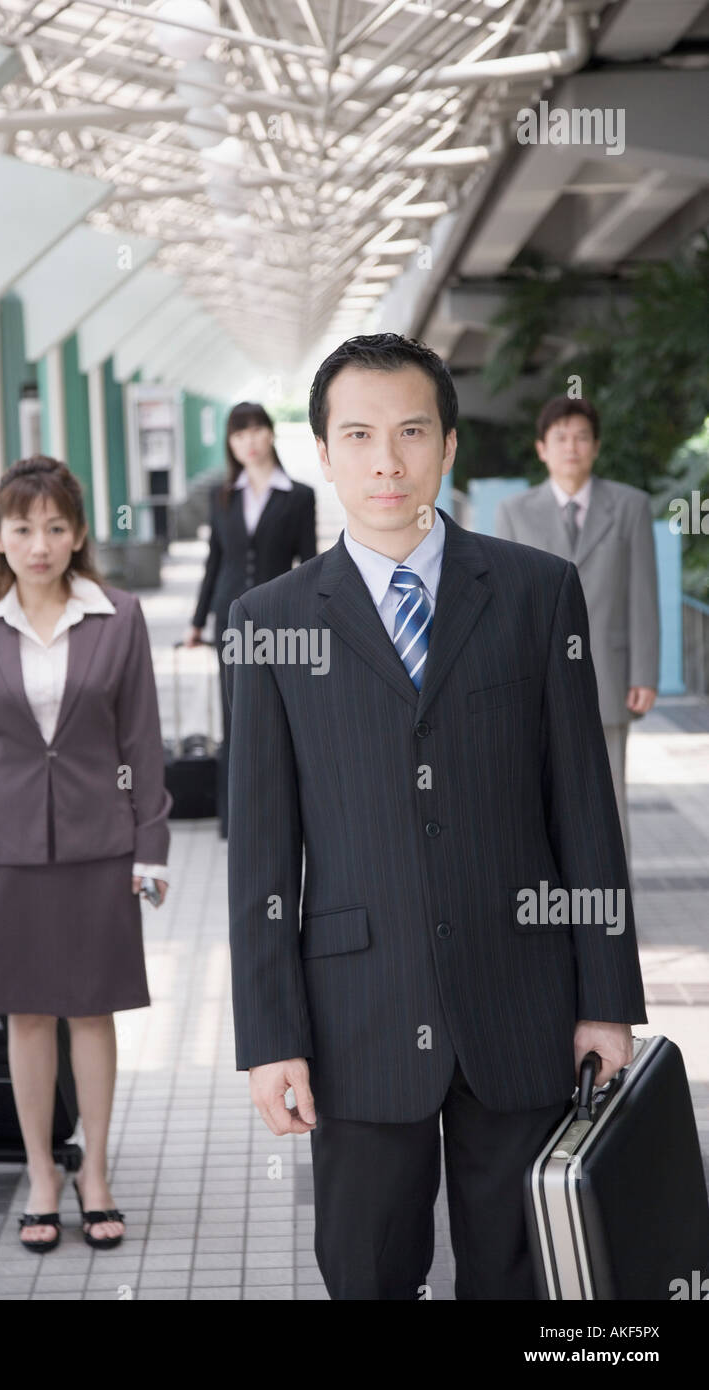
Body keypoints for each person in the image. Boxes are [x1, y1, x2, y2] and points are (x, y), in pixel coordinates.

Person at [225, 334, 647, 1300]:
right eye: (359, 434)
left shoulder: (538, 593)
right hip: (356, 1019)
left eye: (411, 431)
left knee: (519, 1278)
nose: (387, 460)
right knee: (366, 1274)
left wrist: (605, 1000)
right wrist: (269, 1035)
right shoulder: (270, 620)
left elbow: (583, 808)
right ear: (322, 453)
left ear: (448, 446)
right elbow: (259, 855)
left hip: (524, 1005)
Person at [0, 456, 172, 1253]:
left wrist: (152, 846)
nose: (39, 543)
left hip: (100, 844)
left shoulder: (118, 616)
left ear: (79, 534)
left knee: (92, 1011)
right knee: (26, 1015)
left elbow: (142, 740)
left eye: (55, 527)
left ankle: (94, 1170)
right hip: (6, 852)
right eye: (23, 528)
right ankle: (42, 1172)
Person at [495, 397, 659, 862]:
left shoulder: (630, 506)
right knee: (535, 798)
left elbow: (643, 594)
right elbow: (507, 602)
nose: (572, 447)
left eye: (582, 437)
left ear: (597, 447)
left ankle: (614, 910)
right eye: (560, 437)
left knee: (609, 800)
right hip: (533, 679)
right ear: (541, 448)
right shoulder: (514, 512)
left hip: (608, 677)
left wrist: (644, 673)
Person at [184, 401, 317, 838]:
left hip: (281, 618)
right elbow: (214, 559)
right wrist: (197, 620)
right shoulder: (222, 496)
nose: (249, 441)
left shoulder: (299, 496)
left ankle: (285, 811)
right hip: (230, 619)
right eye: (239, 434)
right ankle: (235, 816)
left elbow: (309, 561)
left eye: (256, 430)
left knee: (285, 710)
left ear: (271, 433)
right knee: (235, 711)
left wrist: (316, 617)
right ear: (230, 443)